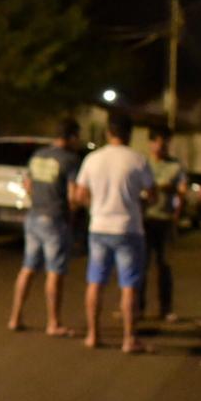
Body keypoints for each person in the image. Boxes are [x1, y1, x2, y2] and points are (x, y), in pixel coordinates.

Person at [73, 112, 156, 352]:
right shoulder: (138, 160)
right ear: (129, 134)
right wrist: (140, 202)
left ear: (108, 133)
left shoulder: (92, 159)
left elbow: (79, 195)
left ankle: (93, 335)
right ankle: (129, 339)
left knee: (95, 282)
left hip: (99, 226)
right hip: (128, 228)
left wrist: (94, 206)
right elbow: (152, 195)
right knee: (129, 285)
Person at [7, 119, 83, 336]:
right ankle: (53, 323)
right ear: (72, 137)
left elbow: (28, 184)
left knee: (28, 268)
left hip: (33, 216)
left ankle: (15, 317)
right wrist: (75, 212)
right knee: (55, 272)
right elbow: (72, 194)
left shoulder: (38, 155)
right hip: (54, 218)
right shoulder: (70, 160)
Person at [137, 125, 187, 321]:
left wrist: (177, 211)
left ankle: (166, 308)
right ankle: (138, 307)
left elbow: (182, 190)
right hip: (145, 219)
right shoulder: (142, 163)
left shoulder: (175, 166)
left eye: (165, 143)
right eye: (158, 142)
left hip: (165, 220)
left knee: (164, 266)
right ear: (150, 143)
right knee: (141, 265)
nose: (162, 146)